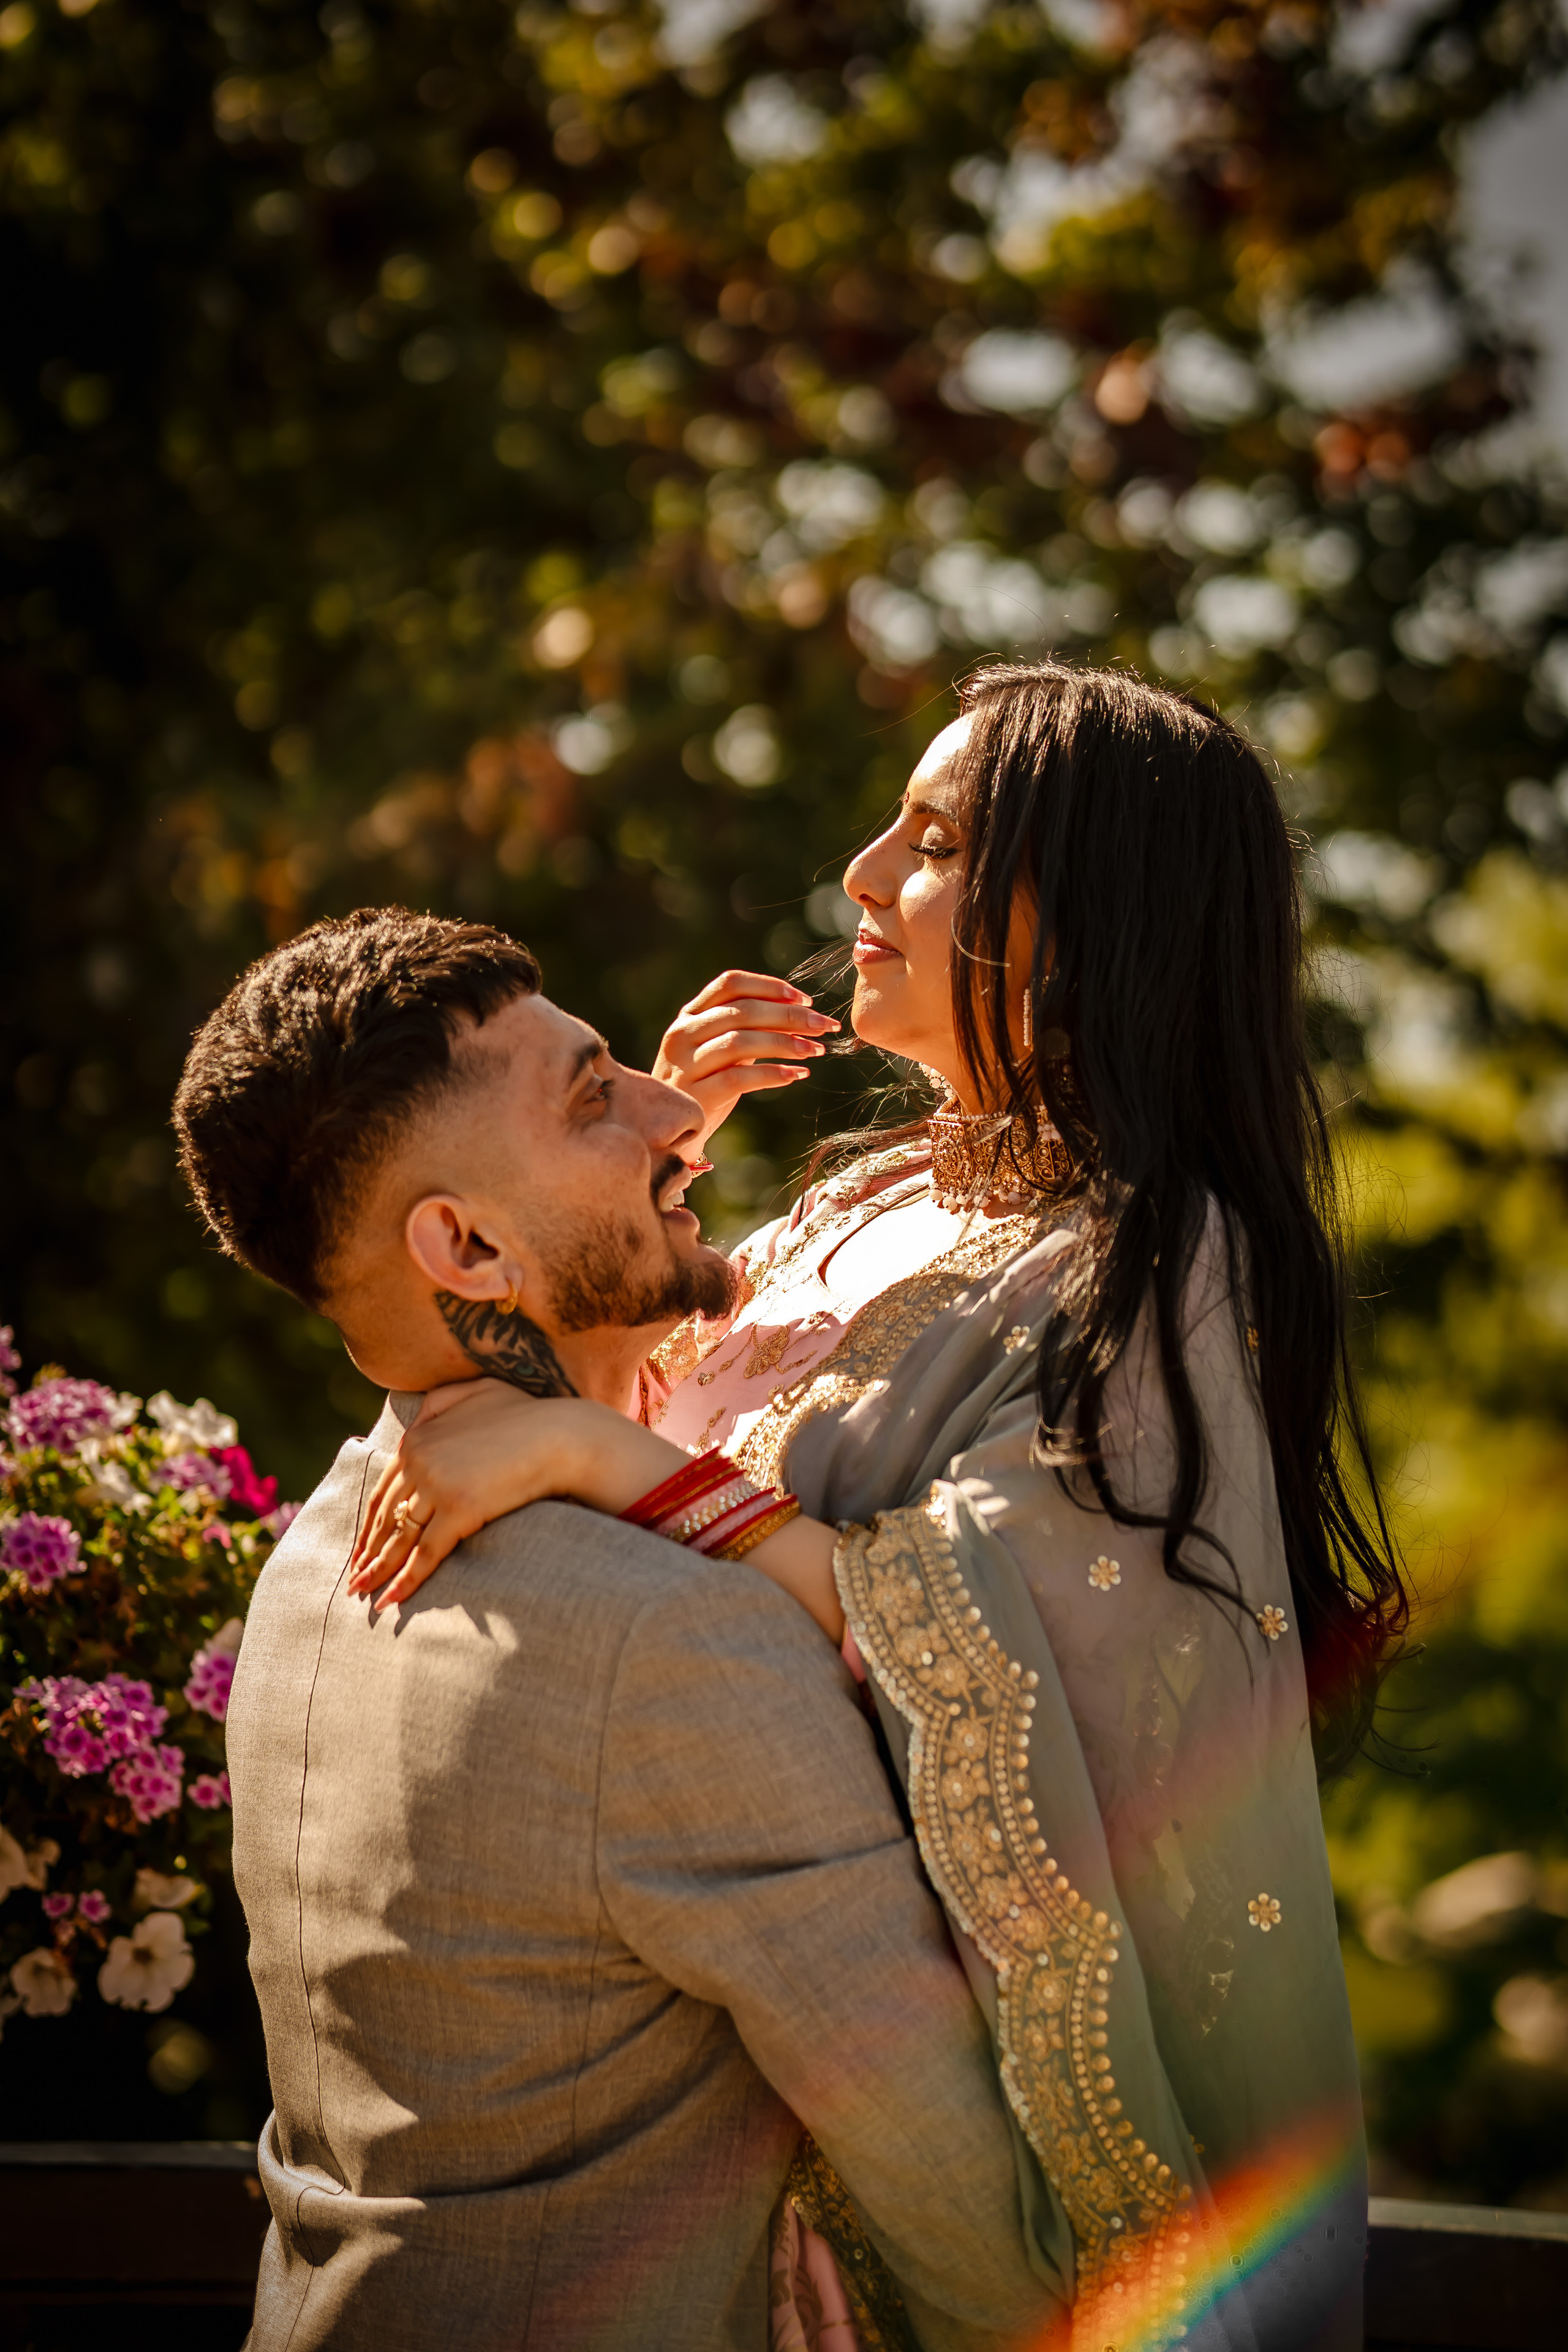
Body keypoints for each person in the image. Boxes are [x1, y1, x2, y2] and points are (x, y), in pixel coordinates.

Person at [352, 662, 1412, 2352]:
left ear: (1088, 916)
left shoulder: (1157, 1254)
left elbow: (1006, 1651)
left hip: (877, 2146)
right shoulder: (863, 1195)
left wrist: (615, 1462)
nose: (859, 873)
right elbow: (595, 1491)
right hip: (656, 2081)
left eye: (931, 839)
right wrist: (638, 1162)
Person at [171, 908, 1058, 2352]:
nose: (669, 1114)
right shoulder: (672, 1646)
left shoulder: (314, 1561)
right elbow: (966, 2227)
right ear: (461, 1245)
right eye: (596, 1099)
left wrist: (616, 1178)